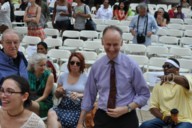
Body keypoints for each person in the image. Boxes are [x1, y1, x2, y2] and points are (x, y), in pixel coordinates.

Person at [77, 25, 150, 128]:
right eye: (108, 44)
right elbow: (89, 96)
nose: (111, 49)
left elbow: (144, 94)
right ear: (102, 42)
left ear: (122, 43)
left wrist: (126, 108)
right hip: (103, 117)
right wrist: (80, 123)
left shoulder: (132, 66)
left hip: (127, 117)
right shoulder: (97, 67)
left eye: (115, 44)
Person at [140, 58, 192, 128]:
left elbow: (185, 82)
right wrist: (163, 117)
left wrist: (172, 77)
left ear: (177, 69)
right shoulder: (159, 85)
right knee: (145, 126)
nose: (165, 69)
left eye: (168, 66)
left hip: (184, 120)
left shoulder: (186, 80)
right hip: (165, 119)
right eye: (164, 67)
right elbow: (153, 107)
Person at [47, 52, 88, 128]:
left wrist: (79, 95)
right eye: (72, 63)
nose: (74, 65)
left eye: (78, 63)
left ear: (81, 64)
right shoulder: (63, 76)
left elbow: (91, 95)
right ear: (69, 63)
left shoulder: (86, 77)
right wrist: (59, 92)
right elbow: (57, 95)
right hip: (62, 106)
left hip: (77, 108)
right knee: (51, 113)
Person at [28, 53, 54, 118]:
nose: (43, 67)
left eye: (44, 65)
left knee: (28, 105)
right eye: (41, 65)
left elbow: (45, 96)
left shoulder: (49, 75)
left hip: (44, 101)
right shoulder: (28, 73)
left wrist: (31, 102)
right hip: (30, 98)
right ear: (34, 65)